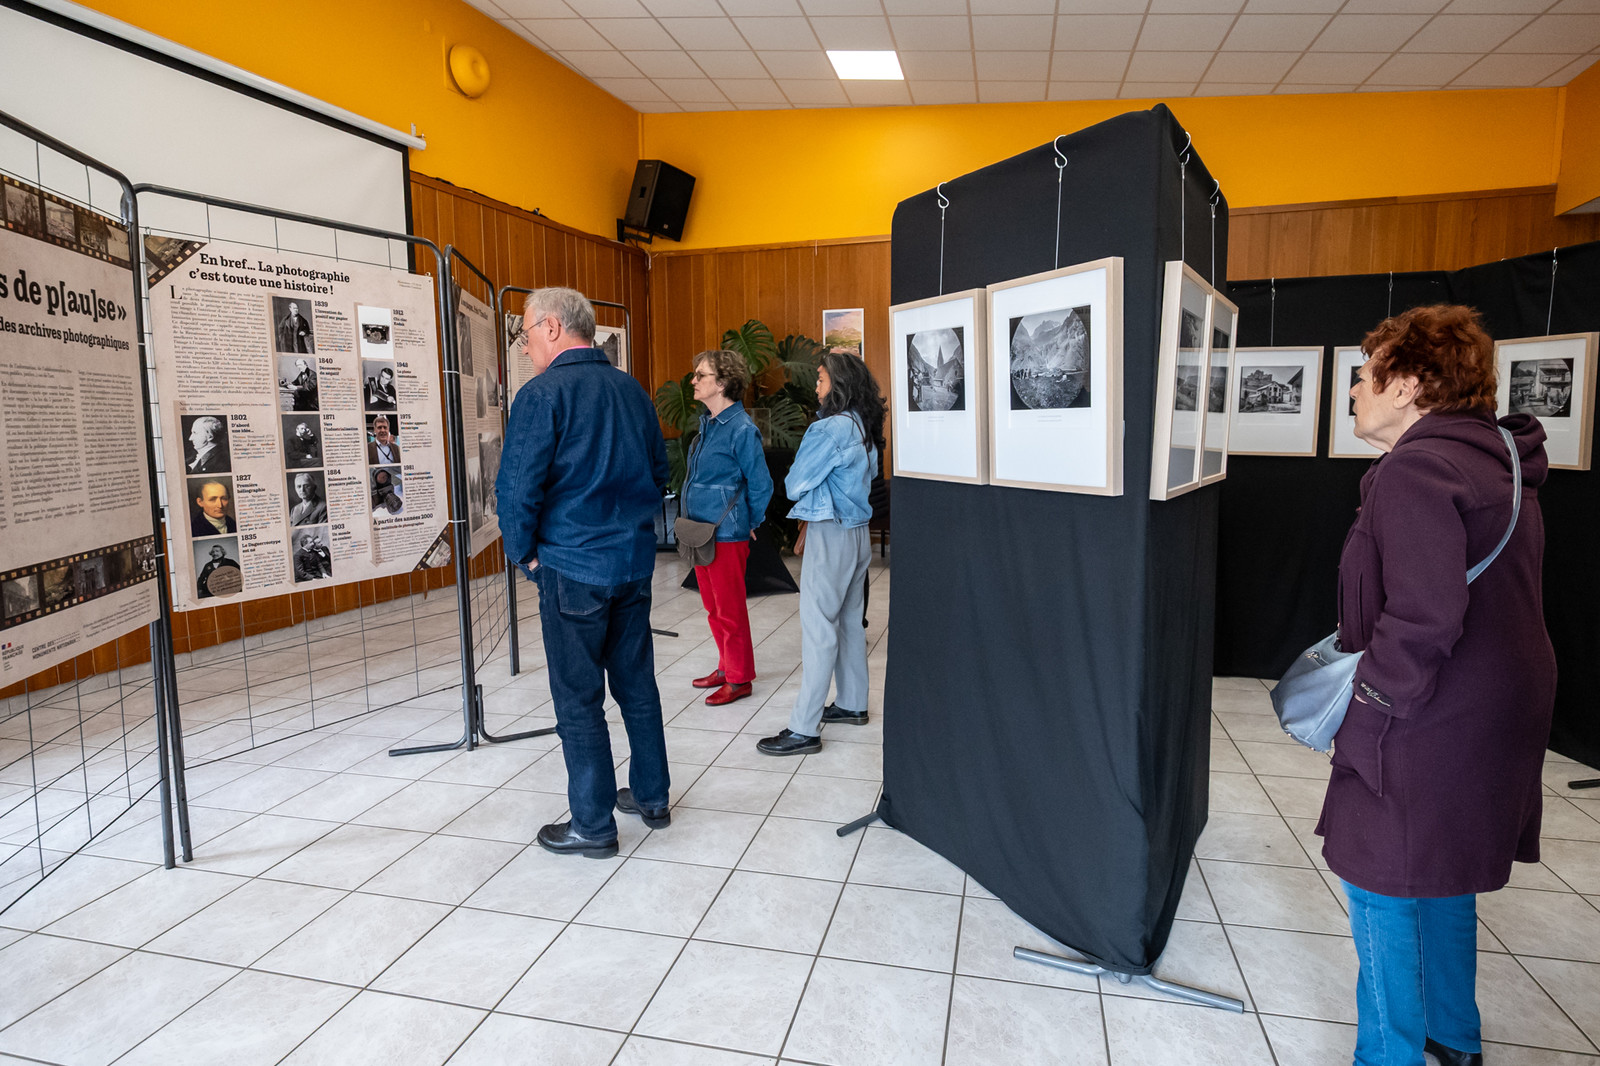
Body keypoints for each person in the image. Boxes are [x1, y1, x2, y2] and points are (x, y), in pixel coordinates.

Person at [1319, 305, 1555, 1066]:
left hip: (1430, 711)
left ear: (1409, 385)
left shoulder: (1416, 470)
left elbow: (1423, 618)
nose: (1354, 388)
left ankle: (1387, 1057)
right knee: (1441, 876)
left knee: (1382, 880)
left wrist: (1367, 713)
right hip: (1494, 706)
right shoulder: (1494, 459)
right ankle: (1454, 1043)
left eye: (1365, 374)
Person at [496, 286, 670, 858]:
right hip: (631, 564)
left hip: (572, 567)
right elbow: (659, 472)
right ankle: (652, 797)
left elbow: (516, 490)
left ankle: (592, 826)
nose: (525, 348)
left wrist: (524, 555)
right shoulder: (631, 390)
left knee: (577, 700)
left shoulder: (540, 395)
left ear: (551, 327)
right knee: (637, 686)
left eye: (526, 334)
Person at [757, 352, 883, 756]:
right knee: (849, 622)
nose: (816, 386)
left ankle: (804, 728)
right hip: (858, 533)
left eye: (822, 379)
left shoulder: (828, 429)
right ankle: (852, 703)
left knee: (818, 627)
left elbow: (794, 483)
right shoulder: (862, 425)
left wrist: (815, 482)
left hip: (830, 533)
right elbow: (869, 476)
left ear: (838, 385)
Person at [683, 349, 773, 707]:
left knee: (730, 610)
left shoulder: (741, 429)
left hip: (726, 533)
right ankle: (726, 666)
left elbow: (762, 483)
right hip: (701, 531)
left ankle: (739, 679)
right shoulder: (709, 424)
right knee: (713, 607)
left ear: (721, 383)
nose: (693, 381)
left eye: (700, 375)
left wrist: (751, 522)